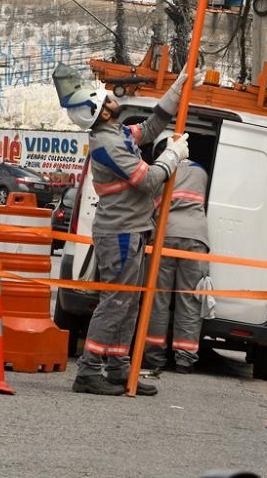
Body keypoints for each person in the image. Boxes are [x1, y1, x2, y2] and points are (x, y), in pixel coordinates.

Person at [55, 63, 201, 396]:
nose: (111, 100)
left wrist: (177, 88)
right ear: (101, 113)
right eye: (105, 100)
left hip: (131, 231)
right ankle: (89, 371)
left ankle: (119, 370)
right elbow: (147, 179)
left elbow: (150, 128)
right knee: (115, 303)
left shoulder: (116, 133)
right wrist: (174, 156)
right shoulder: (107, 144)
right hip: (120, 234)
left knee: (128, 304)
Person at [144, 133, 211, 374]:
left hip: (165, 236)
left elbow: (148, 205)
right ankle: (185, 358)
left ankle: (154, 356)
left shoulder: (158, 171)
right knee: (190, 299)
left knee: (158, 298)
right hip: (196, 238)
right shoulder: (201, 172)